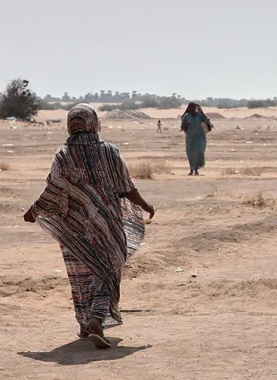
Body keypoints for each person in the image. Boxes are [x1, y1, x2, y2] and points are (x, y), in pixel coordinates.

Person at [23, 104, 155, 348]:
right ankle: (95, 319)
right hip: (107, 226)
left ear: (70, 125)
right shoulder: (110, 152)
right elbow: (126, 187)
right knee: (107, 271)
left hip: (74, 229)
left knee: (82, 275)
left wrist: (34, 210)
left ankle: (86, 325)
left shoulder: (63, 155)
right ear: (94, 123)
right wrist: (146, 205)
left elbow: (54, 189)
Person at [180, 102, 213, 175]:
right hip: (190, 136)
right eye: (192, 107)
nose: (193, 109)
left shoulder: (199, 115)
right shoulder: (186, 116)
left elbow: (207, 120)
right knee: (191, 153)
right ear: (189, 108)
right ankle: (192, 170)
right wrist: (187, 124)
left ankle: (197, 167)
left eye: (194, 107)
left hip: (200, 136)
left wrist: (202, 113)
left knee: (200, 151)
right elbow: (182, 127)